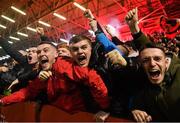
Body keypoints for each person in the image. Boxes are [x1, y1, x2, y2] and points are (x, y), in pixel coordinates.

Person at [0, 40, 109, 114]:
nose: (41, 54)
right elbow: (28, 92)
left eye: (45, 50)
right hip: (58, 115)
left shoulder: (63, 65)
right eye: (38, 52)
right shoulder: (44, 73)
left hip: (78, 116)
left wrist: (104, 108)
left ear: (56, 54)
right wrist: (3, 101)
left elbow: (92, 78)